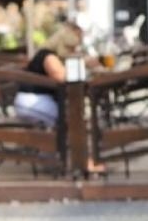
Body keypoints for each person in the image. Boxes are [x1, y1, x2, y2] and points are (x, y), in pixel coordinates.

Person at [14, 23, 105, 174]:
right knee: (74, 120)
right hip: (32, 102)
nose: (75, 51)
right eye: (72, 48)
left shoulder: (49, 55)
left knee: (75, 118)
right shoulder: (48, 56)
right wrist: (83, 63)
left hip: (38, 101)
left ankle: (60, 157)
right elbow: (64, 78)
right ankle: (82, 162)